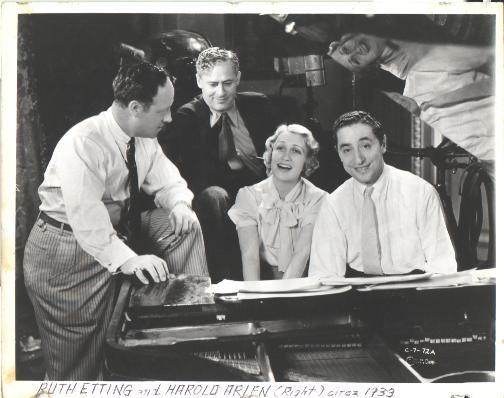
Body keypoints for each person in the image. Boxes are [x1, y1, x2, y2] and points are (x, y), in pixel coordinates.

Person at [23, 62, 208, 380]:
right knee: (78, 366)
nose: (169, 118)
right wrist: (132, 261)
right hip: (66, 251)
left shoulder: (143, 137)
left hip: (114, 236)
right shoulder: (84, 143)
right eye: (162, 110)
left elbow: (168, 182)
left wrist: (180, 205)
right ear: (135, 107)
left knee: (181, 223)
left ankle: (186, 315)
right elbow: (87, 222)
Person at [159, 47, 279, 281]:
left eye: (228, 83)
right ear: (199, 81)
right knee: (214, 196)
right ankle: (225, 280)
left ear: (239, 79)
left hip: (262, 188)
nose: (221, 92)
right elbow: (193, 176)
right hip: (220, 195)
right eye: (213, 84)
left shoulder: (259, 106)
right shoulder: (187, 118)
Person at [309, 111, 457, 278]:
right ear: (338, 153)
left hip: (414, 294)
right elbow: (323, 274)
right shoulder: (334, 204)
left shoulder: (420, 193)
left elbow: (443, 267)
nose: (358, 160)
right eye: (347, 150)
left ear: (383, 144)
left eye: (365, 146)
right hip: (357, 296)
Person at [327, 33, 495, 161]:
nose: (355, 53)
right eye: (354, 61)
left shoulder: (424, 63)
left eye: (346, 49)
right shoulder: (419, 93)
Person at [228, 124, 327, 280]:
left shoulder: (318, 199)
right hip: (261, 279)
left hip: (302, 281)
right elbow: (250, 257)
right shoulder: (249, 196)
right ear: (271, 154)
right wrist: (255, 300)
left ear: (306, 162)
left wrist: (283, 299)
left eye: (296, 151)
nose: (285, 156)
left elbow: (301, 256)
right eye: (280, 148)